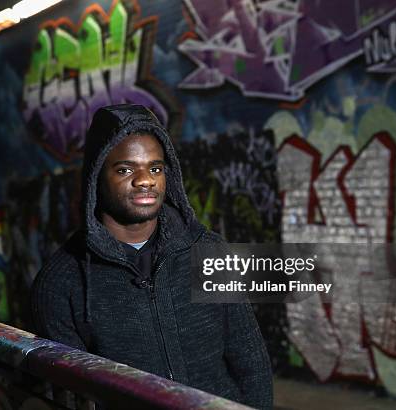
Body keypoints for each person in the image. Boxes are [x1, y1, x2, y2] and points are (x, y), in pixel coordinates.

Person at [31, 104, 272, 408]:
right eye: (126, 169)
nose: (145, 180)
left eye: (155, 168)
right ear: (96, 178)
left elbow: (250, 359)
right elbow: (69, 396)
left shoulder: (209, 251)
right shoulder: (63, 283)